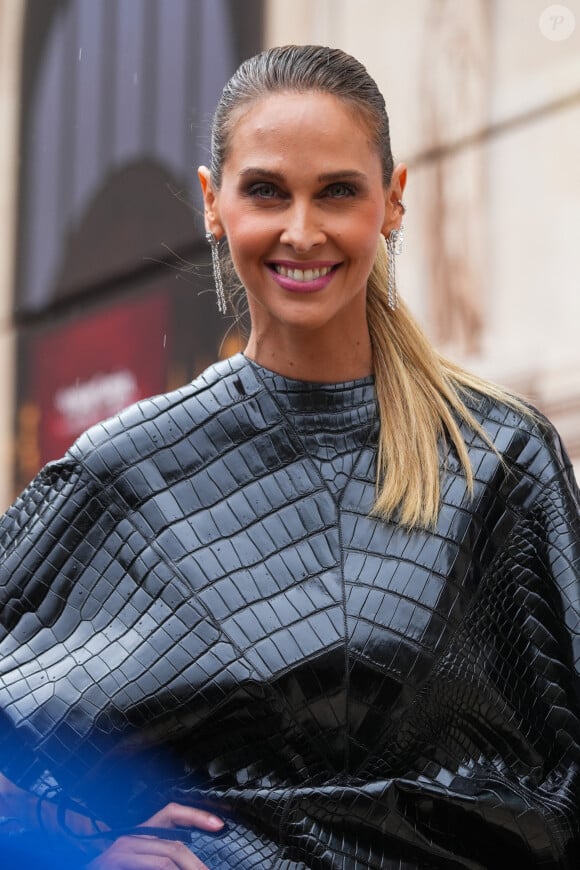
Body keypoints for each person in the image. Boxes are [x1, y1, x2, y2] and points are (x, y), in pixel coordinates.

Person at [0, 43, 579, 870]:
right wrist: (71, 849)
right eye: (266, 191)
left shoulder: (499, 459)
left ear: (394, 201)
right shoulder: (126, 471)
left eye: (337, 192)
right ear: (213, 204)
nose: (301, 232)